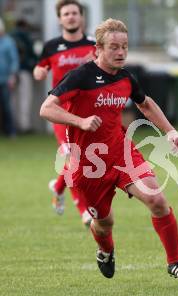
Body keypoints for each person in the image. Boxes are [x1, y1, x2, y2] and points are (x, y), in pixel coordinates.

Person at [39, 18, 178, 283]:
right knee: (105, 223)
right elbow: (46, 108)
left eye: (124, 46)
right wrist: (80, 122)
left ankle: (175, 262)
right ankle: (106, 250)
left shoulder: (126, 77)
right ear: (98, 49)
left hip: (121, 152)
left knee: (157, 201)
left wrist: (170, 131)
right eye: (114, 47)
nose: (121, 52)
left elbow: (145, 104)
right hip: (88, 165)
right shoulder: (81, 76)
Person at [33, 0, 96, 226]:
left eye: (74, 13)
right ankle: (84, 211)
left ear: (81, 17)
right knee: (73, 156)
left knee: (83, 158)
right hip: (60, 111)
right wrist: (39, 71)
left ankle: (58, 186)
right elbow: (40, 68)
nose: (70, 17)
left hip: (87, 111)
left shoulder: (93, 45)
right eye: (66, 13)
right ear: (60, 18)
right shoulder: (51, 46)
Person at [11, 19, 38, 134]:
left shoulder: (10, 36)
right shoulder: (26, 36)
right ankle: (24, 125)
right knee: (25, 99)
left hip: (11, 73)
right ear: (24, 26)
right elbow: (31, 53)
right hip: (24, 71)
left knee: (14, 100)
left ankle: (14, 124)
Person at [0, 17, 19, 138]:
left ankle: (11, 131)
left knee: (7, 106)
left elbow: (14, 60)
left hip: (5, 80)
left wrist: (12, 76)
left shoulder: (9, 42)